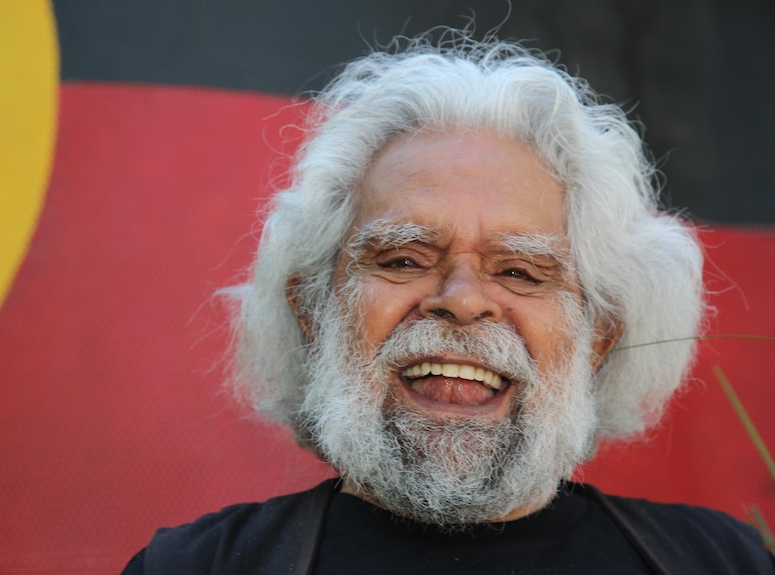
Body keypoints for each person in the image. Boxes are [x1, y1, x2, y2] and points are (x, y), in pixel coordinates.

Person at [122, 29, 774, 574]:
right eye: (404, 258)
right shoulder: (197, 565)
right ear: (313, 311)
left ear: (598, 336)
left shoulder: (719, 561)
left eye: (520, 270)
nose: (462, 301)